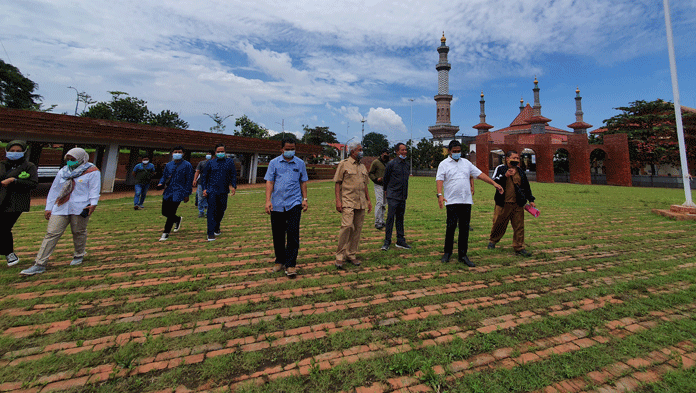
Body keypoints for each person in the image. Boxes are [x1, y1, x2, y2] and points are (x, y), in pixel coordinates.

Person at [20, 148, 100, 276]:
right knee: (51, 233)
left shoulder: (92, 171)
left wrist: (93, 203)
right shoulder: (63, 172)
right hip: (61, 206)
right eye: (67, 160)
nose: (69, 162)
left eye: (72, 160)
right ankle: (39, 264)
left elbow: (94, 189)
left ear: (81, 158)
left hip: (80, 206)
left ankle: (79, 254)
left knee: (78, 231)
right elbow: (54, 190)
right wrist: (49, 207)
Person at [436, 140, 503, 266]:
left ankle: (463, 255)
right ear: (450, 151)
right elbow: (439, 179)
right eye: (454, 151)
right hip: (451, 201)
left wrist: (494, 183)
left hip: (465, 201)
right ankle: (447, 253)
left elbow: (480, 174)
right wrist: (440, 194)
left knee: (464, 228)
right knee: (450, 227)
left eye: (458, 151)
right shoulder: (443, 164)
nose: (457, 153)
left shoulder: (466, 163)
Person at [264, 137, 308, 277]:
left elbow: (303, 182)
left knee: (293, 234)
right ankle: (279, 260)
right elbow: (270, 182)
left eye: (292, 149)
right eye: (287, 149)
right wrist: (267, 201)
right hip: (277, 204)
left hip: (294, 203)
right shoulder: (274, 163)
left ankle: (291, 264)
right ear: (282, 149)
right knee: (278, 234)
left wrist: (305, 199)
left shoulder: (300, 163)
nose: (290, 151)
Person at [487, 150, 537, 256]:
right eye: (513, 158)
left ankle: (519, 247)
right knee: (499, 224)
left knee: (519, 226)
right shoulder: (500, 168)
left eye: (518, 158)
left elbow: (526, 187)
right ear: (507, 158)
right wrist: (505, 175)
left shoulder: (520, 171)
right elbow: (495, 181)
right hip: (503, 203)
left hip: (518, 204)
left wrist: (531, 200)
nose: (516, 160)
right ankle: (492, 241)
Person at [334, 142, 372, 269]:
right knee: (346, 227)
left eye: (362, 149)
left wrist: (369, 200)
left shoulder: (362, 166)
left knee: (357, 229)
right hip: (348, 201)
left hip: (360, 202)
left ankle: (351, 254)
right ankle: (339, 256)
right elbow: (338, 183)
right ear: (353, 151)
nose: (362, 152)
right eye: (359, 150)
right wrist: (338, 201)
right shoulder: (344, 164)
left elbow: (365, 184)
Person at [1, 140, 38, 267]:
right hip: (1, 200)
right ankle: (8, 253)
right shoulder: (1, 165)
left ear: (24, 152)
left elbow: (33, 184)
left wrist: (15, 181)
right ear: (7, 151)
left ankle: (9, 254)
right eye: (12, 151)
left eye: (18, 151)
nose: (15, 153)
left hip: (16, 202)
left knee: (4, 227)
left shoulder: (29, 166)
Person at [200, 144, 237, 241]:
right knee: (211, 211)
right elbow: (204, 177)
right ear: (215, 153)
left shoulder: (229, 162)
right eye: (218, 151)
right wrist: (204, 189)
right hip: (212, 191)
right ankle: (210, 233)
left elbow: (233, 174)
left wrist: (233, 185)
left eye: (222, 151)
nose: (220, 153)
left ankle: (216, 227)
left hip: (223, 191)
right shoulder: (210, 163)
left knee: (221, 210)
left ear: (225, 152)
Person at [157, 146, 194, 242]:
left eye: (179, 152)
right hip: (168, 191)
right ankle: (177, 219)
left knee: (171, 212)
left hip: (179, 192)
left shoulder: (187, 165)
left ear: (183, 154)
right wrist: (160, 183)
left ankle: (165, 233)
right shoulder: (169, 165)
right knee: (164, 212)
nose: (177, 153)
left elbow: (189, 180)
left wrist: (187, 194)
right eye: (175, 152)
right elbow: (164, 176)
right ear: (172, 153)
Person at [381, 143, 411, 251]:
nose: (404, 152)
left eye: (405, 150)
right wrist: (386, 191)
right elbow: (386, 178)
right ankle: (387, 241)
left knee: (400, 218)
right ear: (397, 152)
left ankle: (400, 240)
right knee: (390, 219)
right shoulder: (391, 164)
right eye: (402, 150)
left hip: (402, 196)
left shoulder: (407, 165)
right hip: (393, 195)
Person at [368, 148, 389, 230]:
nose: (386, 155)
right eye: (385, 153)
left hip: (386, 186)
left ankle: (382, 220)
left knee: (384, 204)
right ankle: (377, 222)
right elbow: (370, 173)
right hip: (378, 185)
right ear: (381, 154)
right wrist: (376, 179)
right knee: (379, 202)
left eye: (387, 153)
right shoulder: (376, 162)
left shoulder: (388, 163)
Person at [192, 152, 212, 218]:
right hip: (201, 182)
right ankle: (201, 212)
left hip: (211, 183)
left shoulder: (214, 163)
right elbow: (197, 171)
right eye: (207, 154)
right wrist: (195, 180)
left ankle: (208, 212)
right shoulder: (201, 163)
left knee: (210, 198)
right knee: (200, 197)